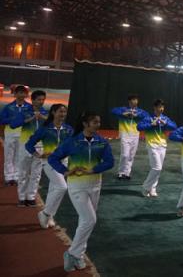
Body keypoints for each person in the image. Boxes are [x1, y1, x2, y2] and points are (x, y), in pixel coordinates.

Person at [48, 111, 114, 272]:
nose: (98, 125)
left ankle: (78, 256)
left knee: (85, 221)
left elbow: (110, 162)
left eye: (99, 122)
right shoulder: (72, 142)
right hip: (77, 186)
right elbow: (53, 158)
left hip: (95, 185)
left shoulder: (102, 142)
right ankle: (72, 253)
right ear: (85, 124)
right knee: (90, 220)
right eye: (95, 122)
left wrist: (93, 170)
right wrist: (64, 171)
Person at [25, 104, 74, 229]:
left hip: (63, 162)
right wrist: (38, 155)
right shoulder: (45, 129)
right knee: (62, 187)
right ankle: (45, 213)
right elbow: (29, 144)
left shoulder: (68, 129)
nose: (63, 114)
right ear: (53, 113)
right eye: (60, 112)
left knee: (54, 189)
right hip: (50, 162)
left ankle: (50, 216)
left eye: (64, 112)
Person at [13, 89, 47, 207]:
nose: (41, 102)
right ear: (32, 100)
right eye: (39, 99)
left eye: (43, 99)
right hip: (25, 144)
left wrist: (42, 117)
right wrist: (30, 119)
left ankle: (31, 197)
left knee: (36, 174)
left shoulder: (46, 113)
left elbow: (53, 125)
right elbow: (13, 124)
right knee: (23, 172)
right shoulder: (25, 111)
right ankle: (22, 198)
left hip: (40, 146)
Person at [137, 99, 177, 197]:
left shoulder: (165, 118)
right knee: (157, 168)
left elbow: (174, 126)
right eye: (159, 107)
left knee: (157, 168)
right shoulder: (148, 118)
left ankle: (153, 188)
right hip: (152, 145)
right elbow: (139, 127)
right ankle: (146, 187)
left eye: (162, 107)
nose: (161, 109)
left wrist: (165, 124)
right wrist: (151, 124)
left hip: (162, 145)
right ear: (155, 108)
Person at [0, 85, 32, 186]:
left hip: (24, 134)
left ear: (26, 94)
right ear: (15, 94)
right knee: (9, 155)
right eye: (19, 92)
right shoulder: (8, 107)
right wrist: (12, 119)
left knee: (20, 155)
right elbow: (2, 120)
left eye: (23, 93)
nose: (21, 95)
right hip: (10, 133)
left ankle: (17, 176)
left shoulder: (30, 107)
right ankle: (8, 177)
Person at [111, 94, 148, 180]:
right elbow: (113, 110)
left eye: (136, 100)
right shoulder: (123, 109)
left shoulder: (139, 111)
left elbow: (146, 115)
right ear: (129, 101)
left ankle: (127, 172)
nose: (134, 101)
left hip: (135, 134)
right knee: (125, 154)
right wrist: (124, 113)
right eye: (132, 100)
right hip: (124, 133)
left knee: (131, 155)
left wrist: (137, 115)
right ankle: (121, 172)